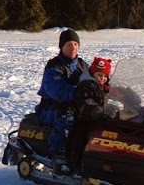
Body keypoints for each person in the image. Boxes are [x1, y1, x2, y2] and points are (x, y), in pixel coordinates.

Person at [35, 29, 99, 173]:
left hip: (77, 104)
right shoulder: (54, 66)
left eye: (76, 44)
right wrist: (78, 92)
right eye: (69, 44)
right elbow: (57, 90)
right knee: (67, 115)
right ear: (62, 47)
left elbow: (94, 79)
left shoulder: (82, 65)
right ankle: (59, 155)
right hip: (51, 107)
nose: (73, 48)